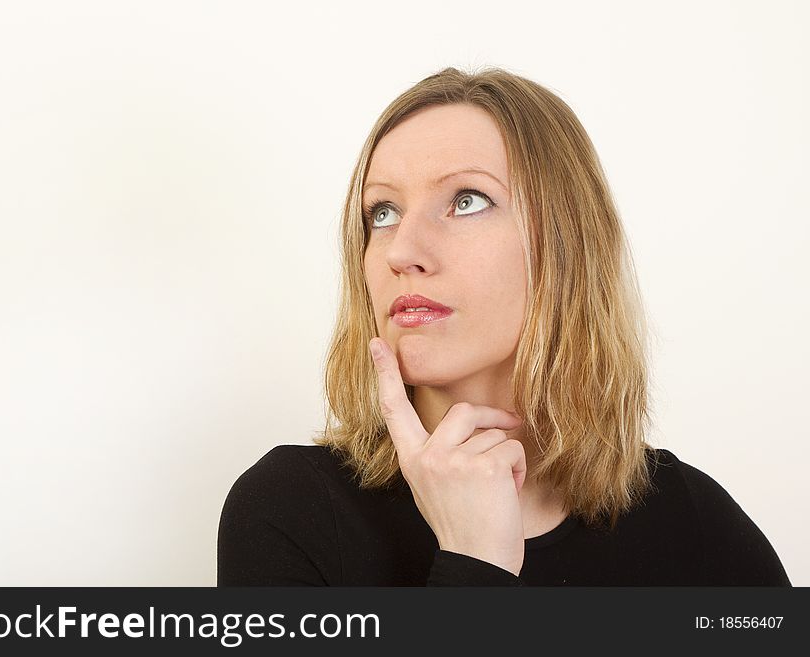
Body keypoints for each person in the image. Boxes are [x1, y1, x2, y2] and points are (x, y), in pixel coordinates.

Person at [217, 66, 791, 586]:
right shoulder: (291, 509)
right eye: (382, 213)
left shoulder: (693, 522)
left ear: (566, 247)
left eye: (466, 200)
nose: (403, 250)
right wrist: (476, 564)